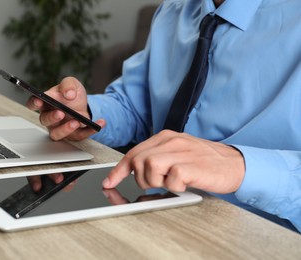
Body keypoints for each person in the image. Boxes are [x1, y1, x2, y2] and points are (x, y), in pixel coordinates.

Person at [26, 0, 301, 232]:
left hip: (258, 233)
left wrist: (240, 167)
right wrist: (86, 114)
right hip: (148, 211)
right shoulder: (176, 9)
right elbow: (137, 106)